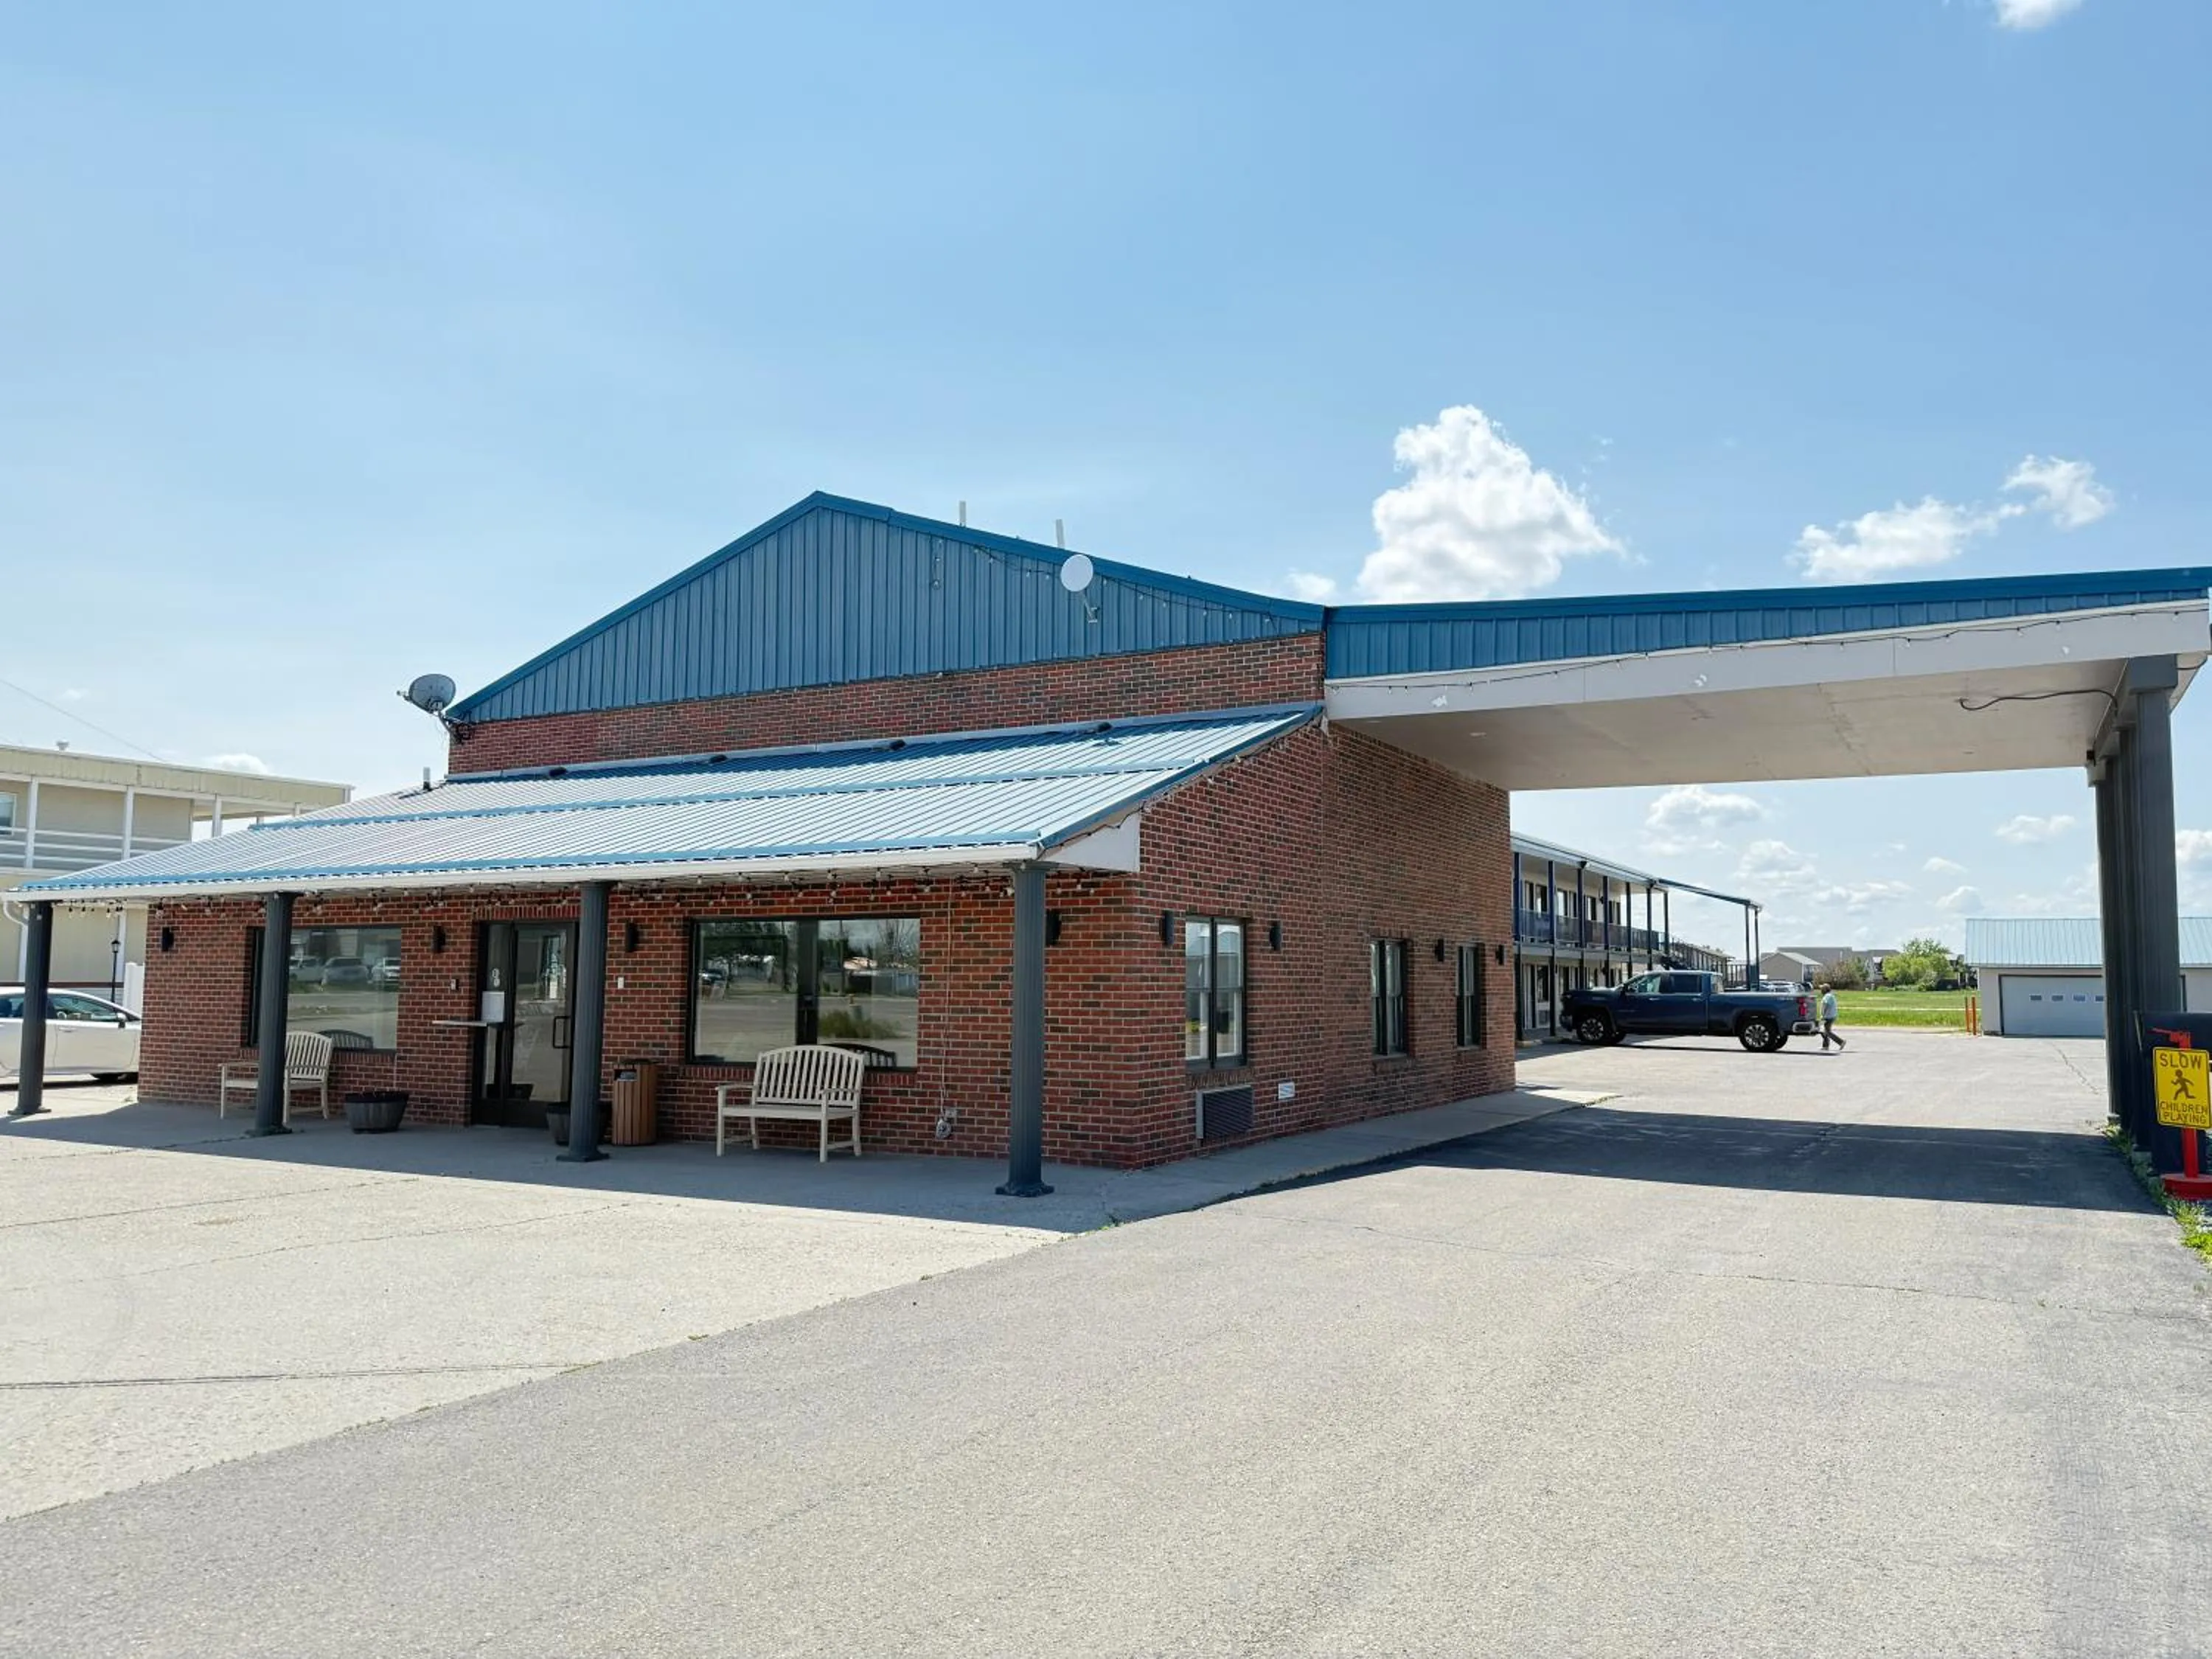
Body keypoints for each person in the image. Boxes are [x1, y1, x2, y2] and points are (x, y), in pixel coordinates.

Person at [1820, 985, 1846, 1051]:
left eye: (1822, 989)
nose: (1821, 991)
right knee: (1825, 1031)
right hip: (1832, 1015)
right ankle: (1825, 1046)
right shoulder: (1831, 995)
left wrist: (1823, 1015)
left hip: (1828, 1016)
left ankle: (1841, 1042)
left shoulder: (1827, 996)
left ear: (1825, 990)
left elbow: (1825, 1005)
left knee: (1827, 1032)